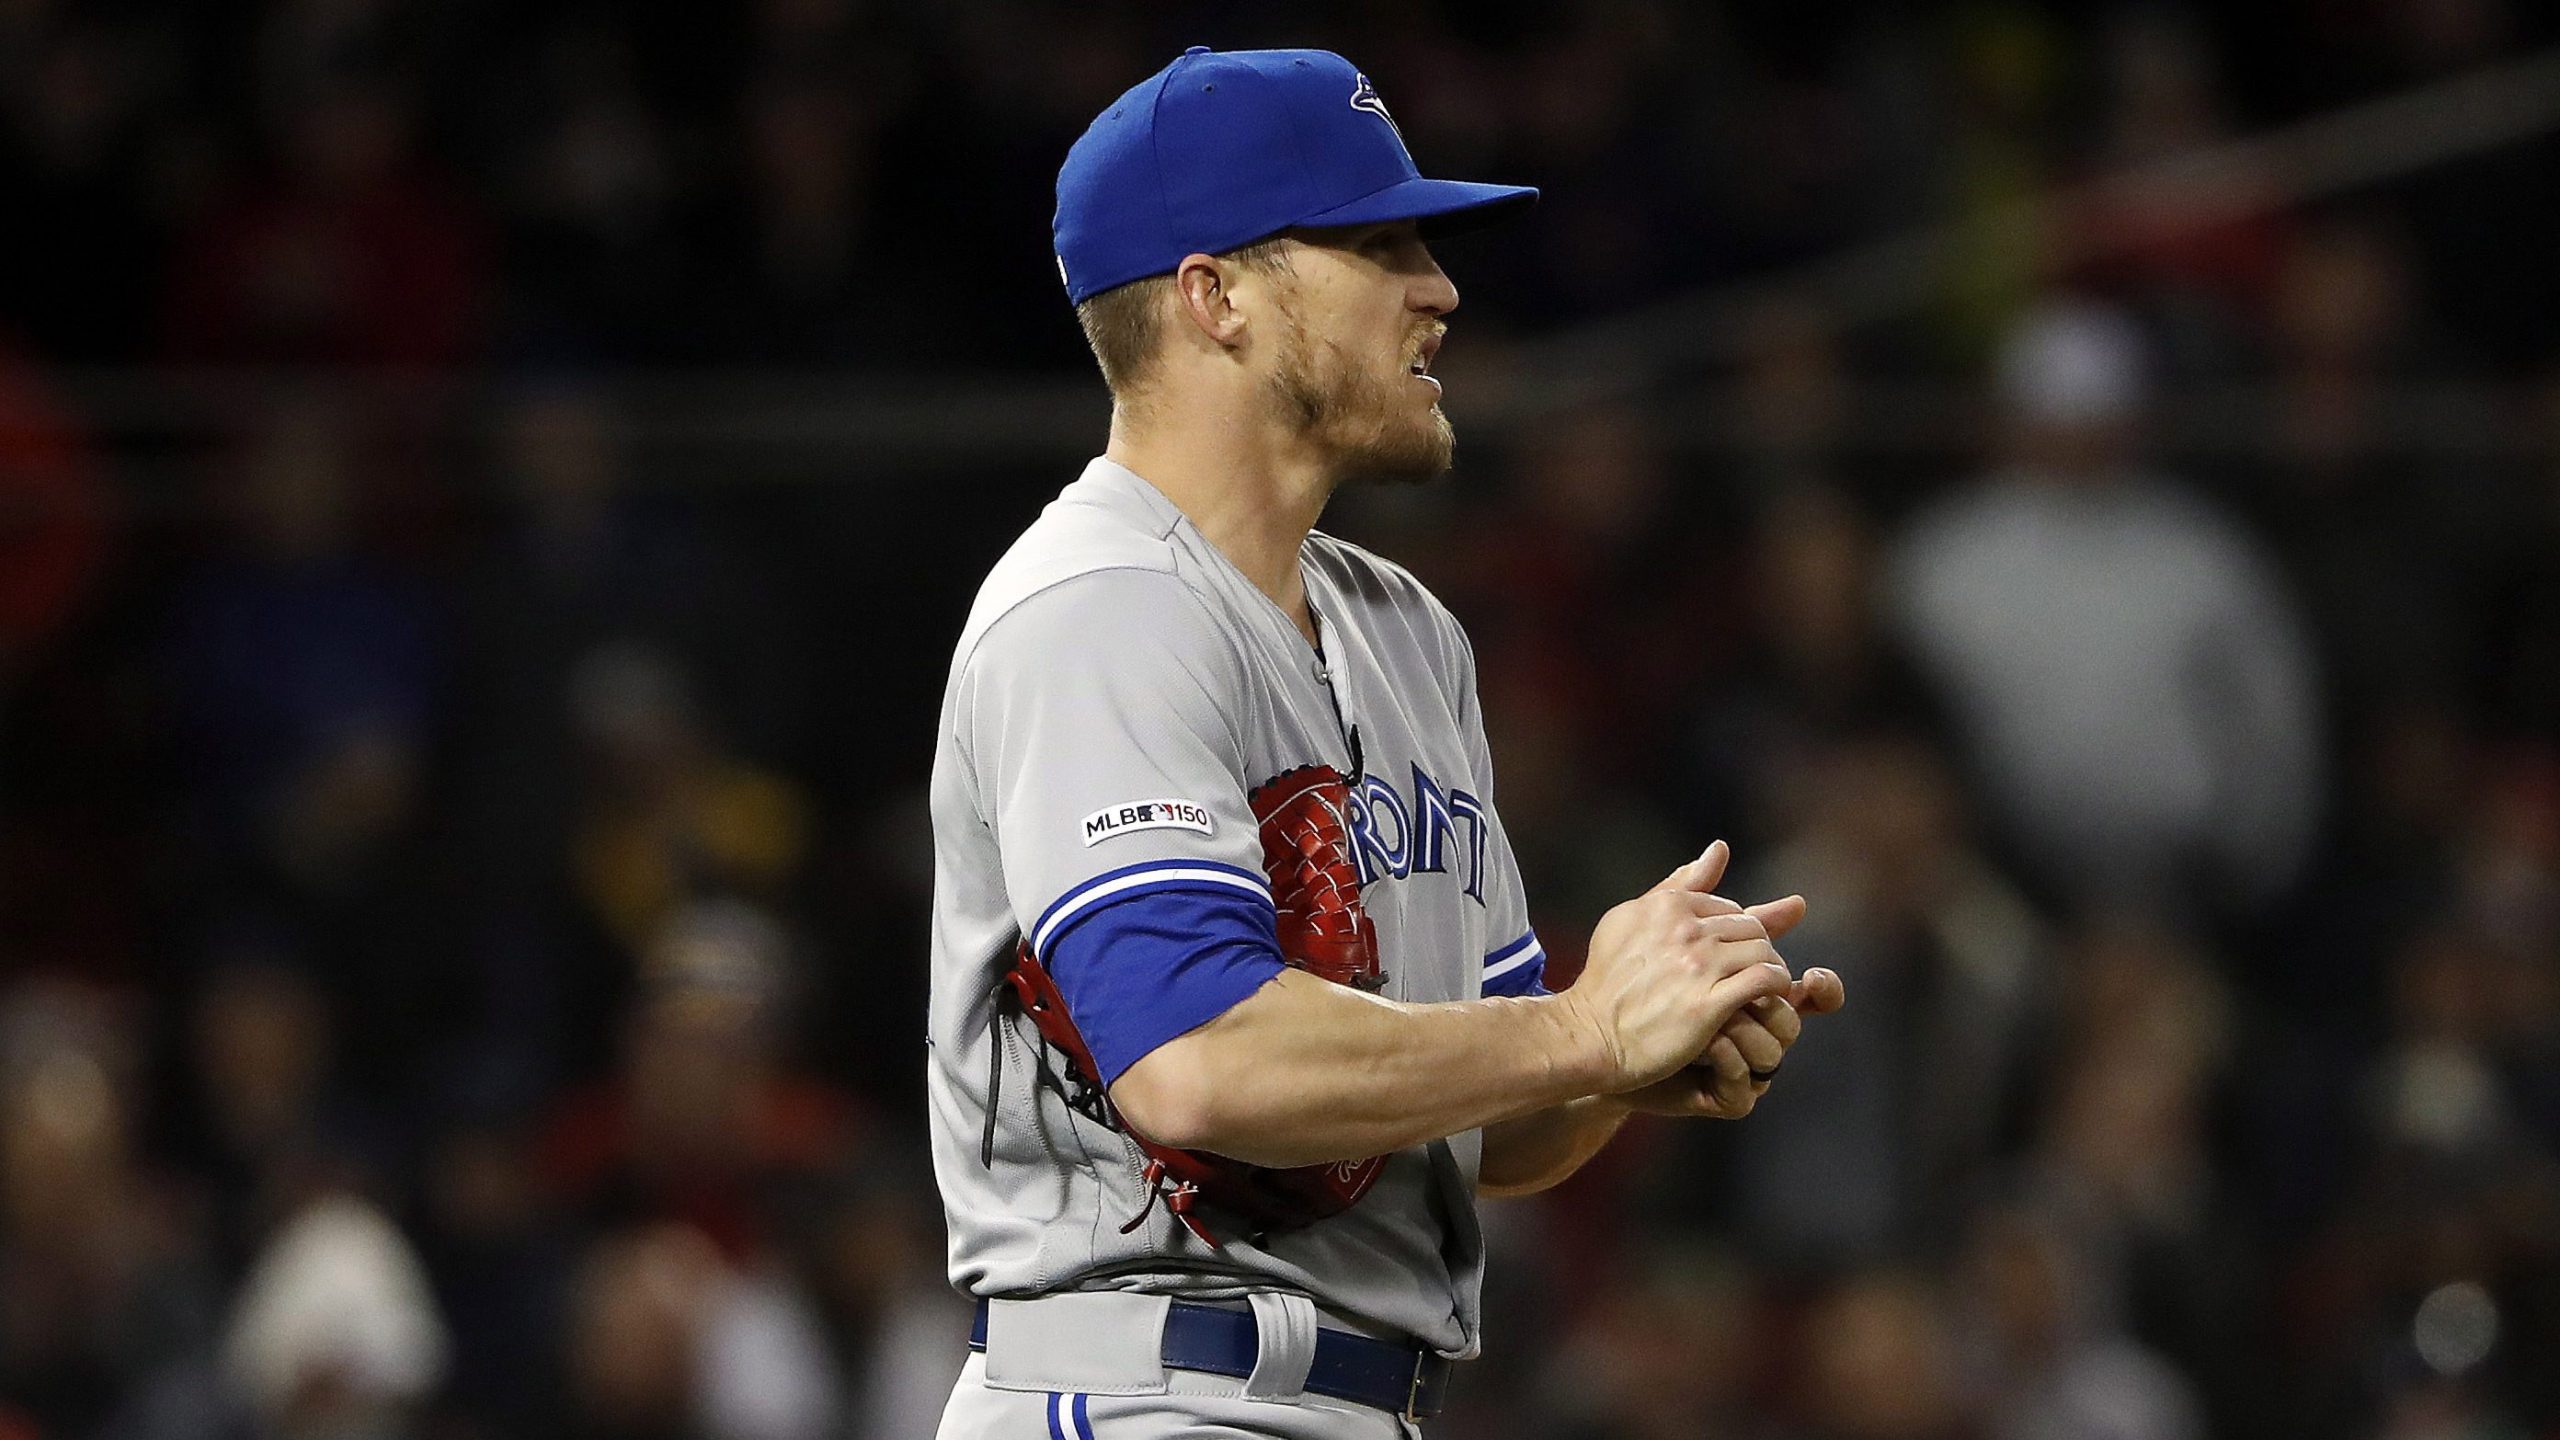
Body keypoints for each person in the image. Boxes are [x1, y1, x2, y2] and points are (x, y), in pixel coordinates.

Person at [924, 47, 1845, 1438]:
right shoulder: (1099, 606)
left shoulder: (1408, 633)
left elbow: (1478, 1120)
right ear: (1214, 297)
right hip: (1148, 1384)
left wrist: (1621, 1061)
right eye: (1378, 246)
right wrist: (1580, 1027)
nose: (1441, 289)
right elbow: (1199, 1062)